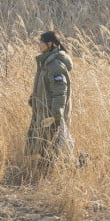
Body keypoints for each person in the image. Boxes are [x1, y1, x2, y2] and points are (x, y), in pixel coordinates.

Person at [26, 31, 74, 173]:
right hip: (43, 110)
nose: (38, 45)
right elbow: (44, 86)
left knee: (52, 146)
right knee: (44, 145)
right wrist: (33, 99)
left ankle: (73, 168)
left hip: (51, 113)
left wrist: (57, 115)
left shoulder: (54, 64)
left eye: (41, 42)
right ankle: (46, 174)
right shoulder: (46, 62)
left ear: (50, 44)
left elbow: (60, 91)